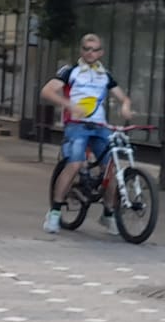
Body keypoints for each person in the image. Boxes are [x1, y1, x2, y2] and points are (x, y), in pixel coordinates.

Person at [42, 34, 135, 234]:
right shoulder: (70, 71)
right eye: (86, 49)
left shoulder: (104, 74)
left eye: (94, 49)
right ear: (81, 51)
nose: (90, 53)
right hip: (77, 124)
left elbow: (122, 97)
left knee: (111, 168)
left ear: (101, 52)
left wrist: (126, 106)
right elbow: (47, 91)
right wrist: (68, 105)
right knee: (74, 163)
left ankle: (108, 214)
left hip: (100, 125)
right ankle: (55, 212)